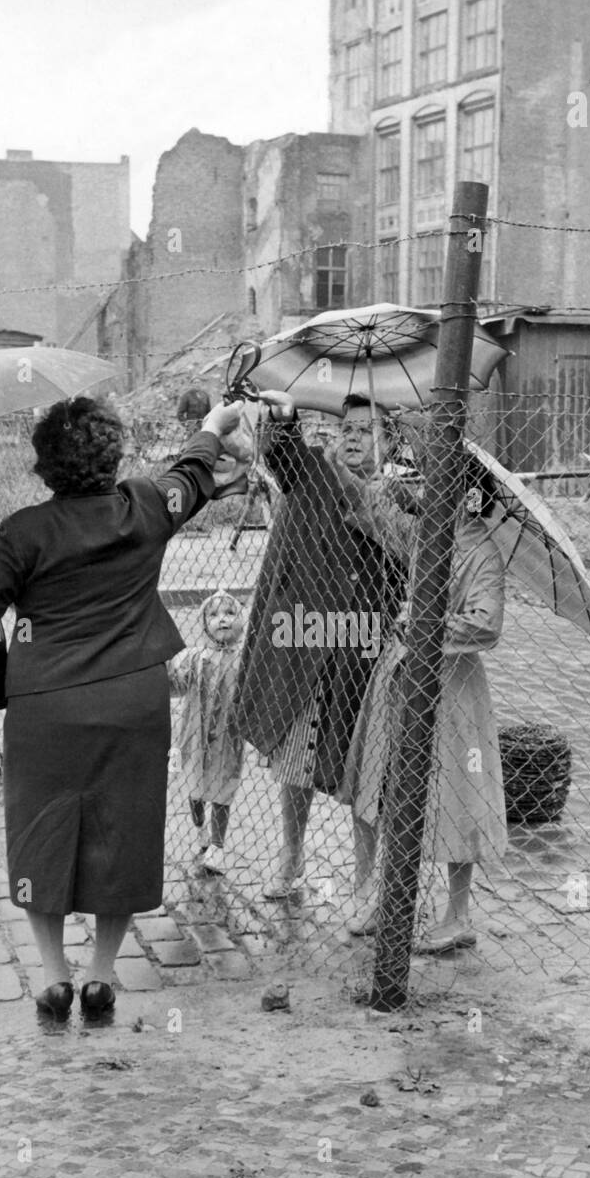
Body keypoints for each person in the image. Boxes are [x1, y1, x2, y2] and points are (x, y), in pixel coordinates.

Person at [0, 395, 250, 1021]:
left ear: (44, 466)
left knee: (42, 830)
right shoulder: (146, 505)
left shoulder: (23, 531)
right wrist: (211, 426)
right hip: (132, 702)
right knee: (124, 827)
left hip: (47, 710)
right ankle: (102, 974)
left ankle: (53, 976)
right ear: (114, 457)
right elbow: (192, 473)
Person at [233, 392, 407, 907]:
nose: (352, 438)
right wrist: (284, 417)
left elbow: (410, 550)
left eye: (365, 430)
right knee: (295, 757)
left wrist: (367, 499)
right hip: (306, 642)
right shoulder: (313, 471)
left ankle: (365, 877)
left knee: (365, 766)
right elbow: (282, 455)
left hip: (364, 650)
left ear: (390, 441)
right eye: (346, 429)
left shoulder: (401, 494)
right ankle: (291, 856)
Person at [336, 446, 510, 952]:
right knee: (383, 781)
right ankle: (386, 897)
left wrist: (427, 624)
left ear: (465, 495)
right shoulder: (428, 535)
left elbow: (487, 624)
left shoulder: (481, 552)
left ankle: (458, 915)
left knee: (456, 792)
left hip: (451, 688)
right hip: (400, 675)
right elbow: (372, 518)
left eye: (437, 481)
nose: (425, 488)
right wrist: (373, 485)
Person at [167, 589, 246, 874]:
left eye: (229, 613)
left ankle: (217, 847)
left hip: (228, 737)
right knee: (195, 792)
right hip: (194, 736)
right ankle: (201, 829)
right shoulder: (195, 658)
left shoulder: (244, 659)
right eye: (213, 615)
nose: (222, 619)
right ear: (204, 624)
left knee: (223, 792)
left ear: (240, 620)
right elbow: (176, 684)